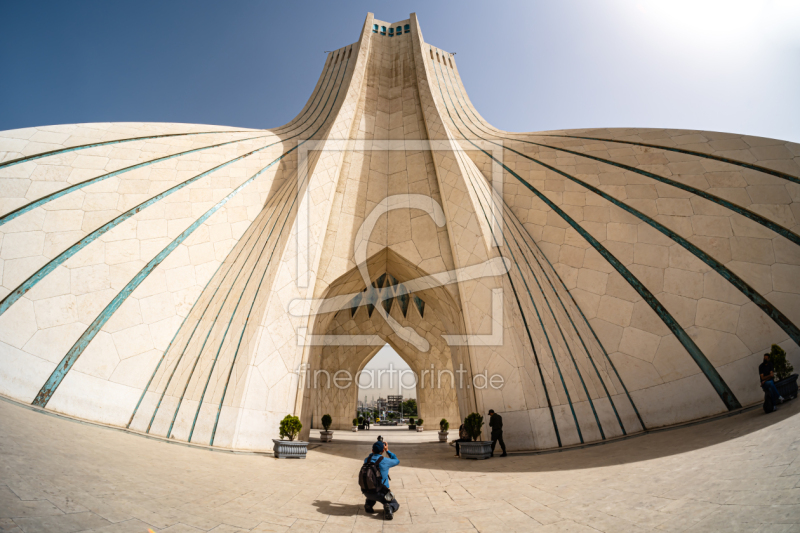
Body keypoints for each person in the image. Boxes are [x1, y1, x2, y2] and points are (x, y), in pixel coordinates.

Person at [362, 441, 400, 520]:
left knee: (372, 491)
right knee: (395, 503)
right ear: (383, 450)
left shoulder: (367, 460)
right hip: (380, 493)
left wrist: (373, 453)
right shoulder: (385, 461)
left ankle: (368, 504)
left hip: (366, 492)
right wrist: (387, 450)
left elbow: (371, 456)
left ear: (372, 450)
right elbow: (396, 460)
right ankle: (389, 507)